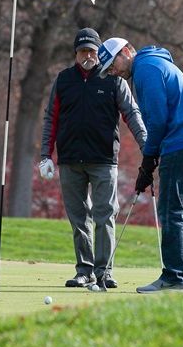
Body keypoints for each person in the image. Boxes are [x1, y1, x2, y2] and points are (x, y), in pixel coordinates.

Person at [98, 37, 183, 292]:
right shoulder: (153, 64)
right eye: (108, 71)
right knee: (180, 208)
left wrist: (148, 161)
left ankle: (173, 278)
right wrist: (149, 161)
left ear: (126, 51)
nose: (113, 72)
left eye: (113, 65)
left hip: (182, 142)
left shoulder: (146, 69)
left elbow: (158, 121)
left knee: (170, 208)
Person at [39, 28, 147, 288]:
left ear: (99, 52)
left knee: (105, 215)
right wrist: (46, 155)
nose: (87, 55)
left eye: (92, 50)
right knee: (78, 218)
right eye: (82, 51)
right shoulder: (64, 80)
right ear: (75, 53)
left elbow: (131, 113)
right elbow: (51, 118)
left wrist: (147, 145)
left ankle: (104, 272)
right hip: (70, 161)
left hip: (103, 160)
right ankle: (84, 270)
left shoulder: (113, 79)